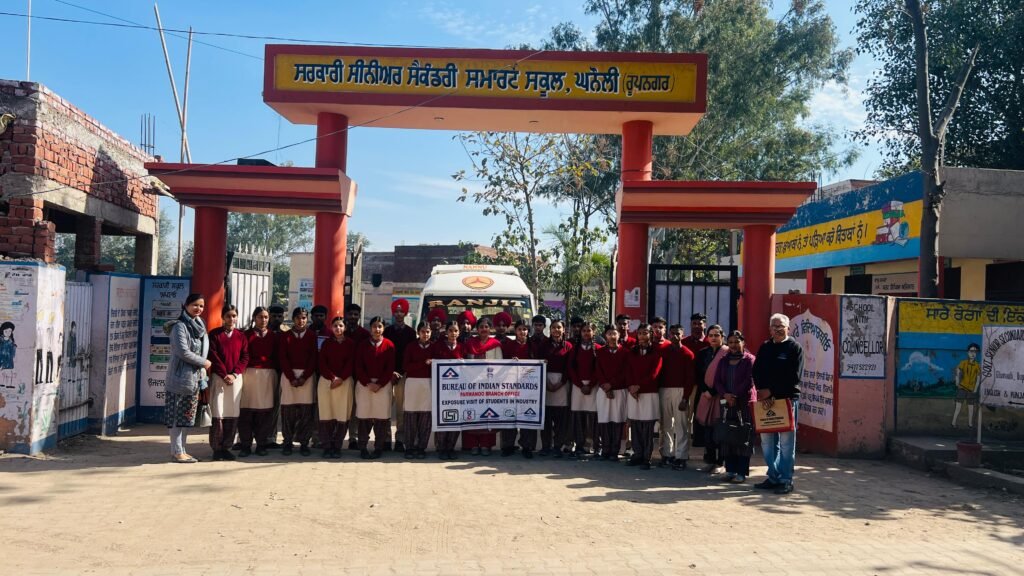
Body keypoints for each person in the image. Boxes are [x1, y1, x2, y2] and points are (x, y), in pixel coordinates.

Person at [752, 313, 804, 494]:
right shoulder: (765, 347)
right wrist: (762, 391)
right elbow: (756, 371)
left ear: (788, 328)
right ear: (770, 329)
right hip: (766, 401)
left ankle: (785, 479)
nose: (778, 329)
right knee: (767, 441)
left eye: (781, 325)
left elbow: (794, 376)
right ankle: (773, 476)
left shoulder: (794, 348)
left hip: (787, 400)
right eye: (774, 326)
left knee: (787, 443)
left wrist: (772, 391)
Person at [164, 293, 210, 464]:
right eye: (195, 305)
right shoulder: (179, 326)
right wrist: (204, 362)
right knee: (176, 415)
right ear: (186, 305)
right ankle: (176, 451)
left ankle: (182, 450)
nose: (198, 309)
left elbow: (204, 347)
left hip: (195, 378)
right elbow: (183, 352)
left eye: (201, 306)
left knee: (186, 415)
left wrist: (202, 370)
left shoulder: (200, 324)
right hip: (179, 378)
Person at [713, 331, 757, 483]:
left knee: (743, 436)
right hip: (727, 403)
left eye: (736, 342)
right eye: (730, 342)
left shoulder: (749, 360)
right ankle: (730, 470)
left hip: (743, 403)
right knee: (727, 436)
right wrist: (725, 394)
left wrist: (735, 395)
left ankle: (741, 472)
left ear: (743, 343)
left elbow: (750, 380)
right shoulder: (723, 360)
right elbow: (717, 381)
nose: (733, 345)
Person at [207, 304, 249, 461]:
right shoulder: (214, 335)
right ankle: (216, 448)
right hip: (219, 378)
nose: (231, 319)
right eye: (228, 316)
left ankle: (227, 447)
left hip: (235, 379)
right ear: (222, 317)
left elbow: (245, 357)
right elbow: (213, 355)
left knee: (232, 412)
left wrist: (234, 373)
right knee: (218, 412)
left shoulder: (241, 336)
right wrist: (225, 374)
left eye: (234, 316)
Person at [354, 316, 396, 459]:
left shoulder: (389, 345)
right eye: (374, 326)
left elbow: (390, 368)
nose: (377, 329)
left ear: (383, 328)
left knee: (381, 418)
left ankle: (379, 447)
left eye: (380, 326)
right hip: (365, 385)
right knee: (364, 417)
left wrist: (380, 384)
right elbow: (358, 366)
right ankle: (363, 447)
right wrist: (367, 382)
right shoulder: (363, 345)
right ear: (370, 328)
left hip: (382, 385)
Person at [278, 307, 317, 456]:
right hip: (289, 376)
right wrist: (291, 377)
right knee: (288, 411)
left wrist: (304, 377)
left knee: (306, 411)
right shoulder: (285, 336)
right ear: (293, 319)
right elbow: (283, 357)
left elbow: (313, 358)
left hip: (306, 377)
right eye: (298, 318)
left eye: (304, 318)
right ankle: (287, 441)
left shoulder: (312, 336)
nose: (301, 321)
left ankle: (304, 442)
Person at [461, 318, 503, 456]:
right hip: (472, 385)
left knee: (488, 415)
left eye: (486, 326)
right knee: (472, 414)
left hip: (489, 386)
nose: (484, 329)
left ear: (490, 329)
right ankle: (472, 444)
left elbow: (500, 365)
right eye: (481, 327)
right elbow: (465, 364)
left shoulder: (496, 344)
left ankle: (486, 445)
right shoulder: (470, 343)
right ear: (477, 329)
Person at [239, 307, 277, 457]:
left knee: (265, 412)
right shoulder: (245, 335)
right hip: (249, 375)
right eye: (260, 317)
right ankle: (245, 444)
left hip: (268, 375)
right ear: (254, 318)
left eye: (266, 317)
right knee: (247, 412)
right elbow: (242, 355)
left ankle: (262, 444)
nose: (264, 320)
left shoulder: (274, 336)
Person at [658, 323, 696, 470]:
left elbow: (690, 378)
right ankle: (667, 454)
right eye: (672, 333)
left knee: (681, 425)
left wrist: (685, 398)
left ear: (682, 334)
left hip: (681, 391)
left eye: (677, 333)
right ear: (668, 334)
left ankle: (681, 456)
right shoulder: (663, 351)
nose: (674, 336)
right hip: (664, 390)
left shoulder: (688, 354)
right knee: (666, 424)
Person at [317, 315, 356, 458]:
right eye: (335, 326)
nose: (338, 328)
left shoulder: (351, 344)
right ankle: (327, 446)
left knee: (342, 414)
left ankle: (337, 445)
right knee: (327, 414)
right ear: (331, 328)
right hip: (327, 382)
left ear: (345, 327)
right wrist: (333, 377)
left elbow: (351, 363)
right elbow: (322, 363)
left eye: (340, 326)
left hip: (344, 382)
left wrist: (341, 378)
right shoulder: (326, 344)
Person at [626, 323, 661, 470]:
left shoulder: (656, 352)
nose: (642, 336)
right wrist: (631, 387)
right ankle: (637, 454)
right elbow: (627, 371)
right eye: (639, 333)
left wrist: (639, 386)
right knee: (635, 425)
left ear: (650, 335)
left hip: (649, 392)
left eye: (645, 333)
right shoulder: (631, 352)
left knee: (647, 427)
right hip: (633, 392)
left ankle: (647, 457)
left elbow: (654, 373)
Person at [384, 299, 416, 452]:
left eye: (401, 311)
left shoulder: (411, 333)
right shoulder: (387, 331)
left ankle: (400, 439)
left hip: (403, 376)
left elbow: (410, 355)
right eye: (396, 311)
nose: (398, 314)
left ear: (405, 313)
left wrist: (401, 372)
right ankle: (385, 438)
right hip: (387, 375)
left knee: (400, 410)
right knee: (385, 408)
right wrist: (390, 372)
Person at [694, 324, 727, 473]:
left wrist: (714, 391)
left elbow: (728, 376)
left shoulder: (727, 353)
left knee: (721, 429)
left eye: (716, 335)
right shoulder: (703, 353)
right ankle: (710, 460)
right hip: (705, 396)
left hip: (721, 395)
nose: (713, 338)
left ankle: (721, 462)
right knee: (708, 429)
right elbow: (698, 375)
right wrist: (706, 390)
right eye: (711, 335)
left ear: (722, 337)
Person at [539, 320, 573, 458]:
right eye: (553, 328)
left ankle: (558, 446)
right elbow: (540, 363)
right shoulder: (543, 345)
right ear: (550, 329)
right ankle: (546, 446)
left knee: (561, 419)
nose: (556, 330)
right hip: (545, 382)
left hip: (562, 384)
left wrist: (561, 382)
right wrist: (546, 382)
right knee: (546, 418)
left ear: (563, 329)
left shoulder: (568, 346)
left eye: (559, 327)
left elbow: (569, 367)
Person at [499, 320, 533, 457]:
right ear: (515, 331)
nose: (522, 332)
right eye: (520, 329)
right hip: (510, 387)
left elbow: (538, 363)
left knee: (528, 416)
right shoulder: (507, 346)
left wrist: (542, 363)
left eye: (525, 329)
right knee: (509, 415)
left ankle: (527, 446)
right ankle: (508, 446)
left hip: (529, 388)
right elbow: (500, 366)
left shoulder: (533, 347)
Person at [595, 324, 628, 461]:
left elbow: (625, 372)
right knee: (604, 420)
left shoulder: (625, 352)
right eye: (609, 334)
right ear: (605, 336)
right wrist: (605, 386)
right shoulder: (600, 352)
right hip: (603, 390)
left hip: (619, 390)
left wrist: (612, 385)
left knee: (617, 420)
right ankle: (605, 449)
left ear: (619, 335)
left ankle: (615, 450)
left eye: (614, 333)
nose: (612, 336)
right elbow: (598, 370)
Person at [568, 322, 600, 458]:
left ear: (593, 332)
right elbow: (571, 368)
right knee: (578, 417)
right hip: (578, 386)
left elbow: (599, 369)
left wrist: (590, 384)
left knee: (593, 417)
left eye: (589, 330)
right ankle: (579, 445)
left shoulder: (598, 349)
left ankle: (594, 445)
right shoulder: (574, 349)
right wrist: (580, 385)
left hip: (593, 386)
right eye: (584, 331)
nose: (586, 333)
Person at [431, 320, 463, 459]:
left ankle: (451, 447)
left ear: (459, 332)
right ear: (446, 332)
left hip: (456, 390)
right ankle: (441, 447)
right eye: (450, 330)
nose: (453, 333)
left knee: (455, 418)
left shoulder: (462, 347)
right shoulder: (438, 346)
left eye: (455, 331)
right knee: (442, 417)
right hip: (440, 390)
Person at [402, 322, 434, 459]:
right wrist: (423, 363)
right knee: (410, 416)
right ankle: (409, 447)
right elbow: (406, 366)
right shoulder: (411, 346)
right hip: (412, 384)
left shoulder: (434, 347)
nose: (425, 334)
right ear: (418, 332)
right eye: (422, 331)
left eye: (427, 331)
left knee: (425, 417)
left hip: (428, 384)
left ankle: (421, 447)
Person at [345, 303, 370, 450]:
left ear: (359, 316)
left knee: (357, 407)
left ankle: (354, 437)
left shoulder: (365, 334)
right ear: (346, 315)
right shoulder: (341, 332)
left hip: (360, 376)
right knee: (344, 406)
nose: (353, 317)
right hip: (343, 376)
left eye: (356, 314)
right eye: (350, 314)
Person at [262, 304, 287, 449]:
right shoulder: (263, 332)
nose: (277, 319)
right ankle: (248, 437)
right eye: (274, 316)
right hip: (261, 372)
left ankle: (271, 438)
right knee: (256, 406)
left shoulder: (286, 334)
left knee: (275, 406)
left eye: (280, 316)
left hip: (279, 373)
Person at [953, 343, 981, 428]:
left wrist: (975, 388)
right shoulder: (963, 363)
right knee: (958, 406)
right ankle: (954, 422)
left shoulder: (977, 366)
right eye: (971, 351)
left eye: (975, 352)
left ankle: (970, 424)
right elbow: (958, 370)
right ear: (968, 352)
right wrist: (957, 379)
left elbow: (978, 378)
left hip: (971, 389)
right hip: (962, 387)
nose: (973, 353)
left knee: (971, 407)